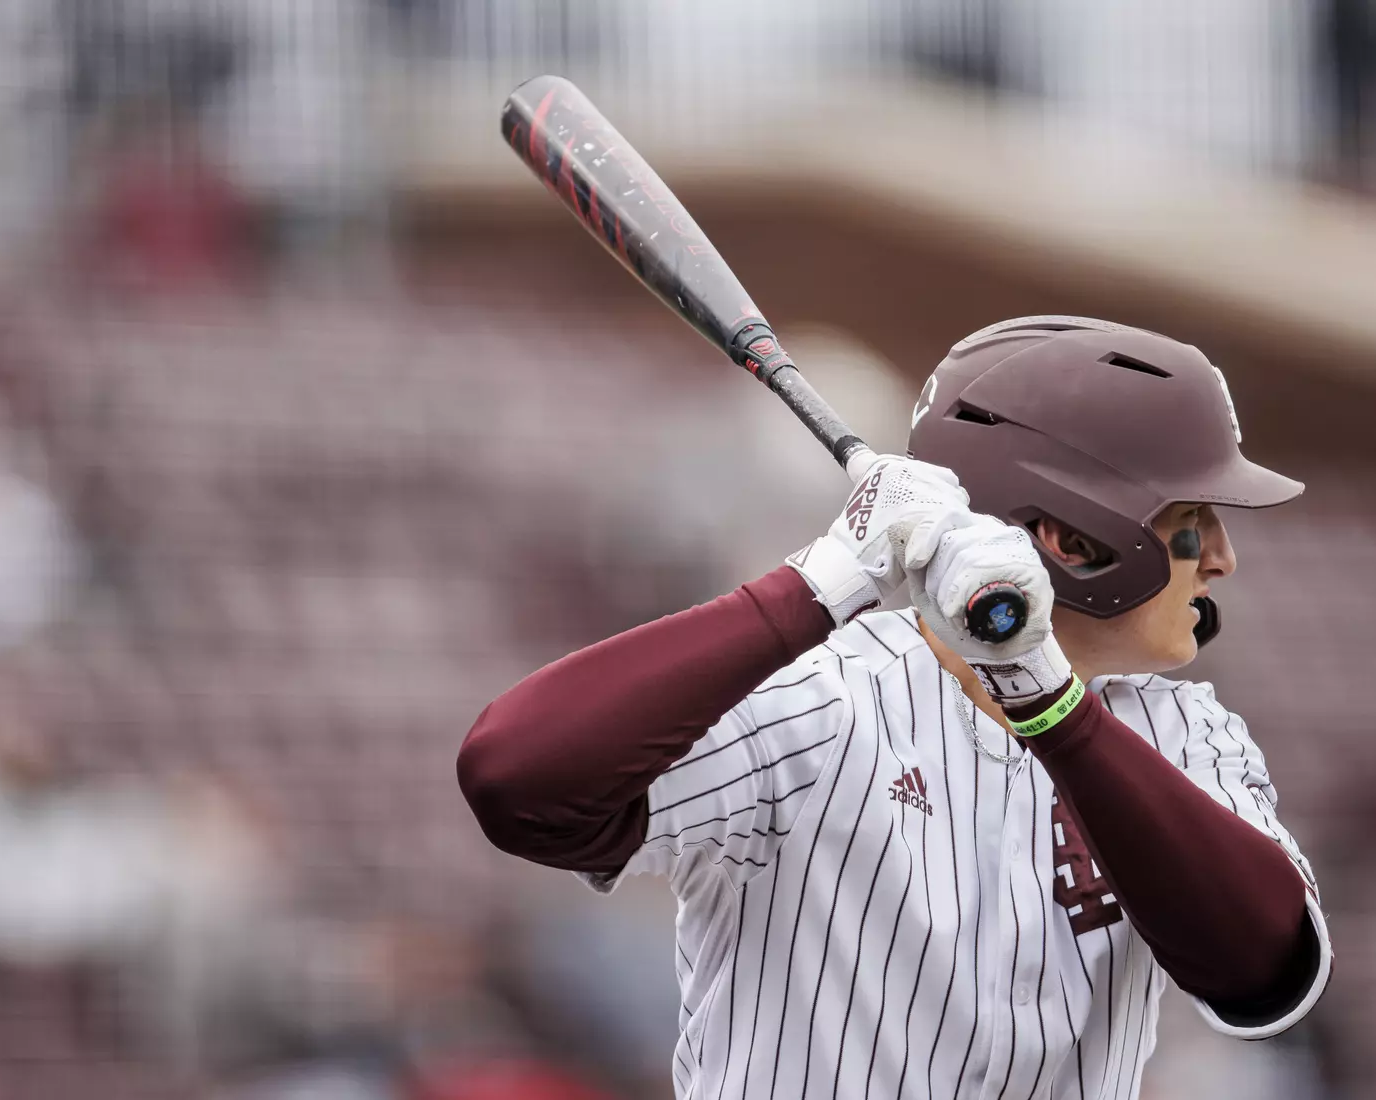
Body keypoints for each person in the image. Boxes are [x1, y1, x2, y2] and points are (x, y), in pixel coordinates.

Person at [456, 316, 1331, 1100]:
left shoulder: (1186, 732)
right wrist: (822, 580)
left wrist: (1046, 702)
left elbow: (1259, 970)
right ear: (1077, 540)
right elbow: (516, 780)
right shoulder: (823, 699)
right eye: (1190, 522)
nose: (1221, 559)